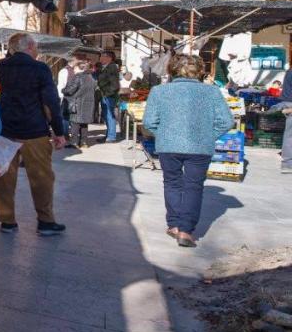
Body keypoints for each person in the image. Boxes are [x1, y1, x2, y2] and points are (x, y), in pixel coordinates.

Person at [142, 54, 234, 248]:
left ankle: (174, 225)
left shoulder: (159, 91)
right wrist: (209, 135)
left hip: (168, 146)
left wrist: (164, 134)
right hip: (200, 147)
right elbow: (227, 121)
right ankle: (185, 230)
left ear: (171, 69)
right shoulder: (212, 92)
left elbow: (149, 123)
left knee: (172, 183)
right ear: (199, 71)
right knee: (194, 186)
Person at [0, 33, 67, 236]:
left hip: (5, 129)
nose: (37, 51)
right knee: (41, 178)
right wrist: (59, 131)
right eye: (36, 47)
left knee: (4, 177)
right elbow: (50, 102)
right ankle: (45, 222)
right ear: (30, 46)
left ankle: (7, 221)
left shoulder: (2, 66)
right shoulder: (40, 68)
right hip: (33, 130)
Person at [62, 60, 99, 148]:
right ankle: (84, 142)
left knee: (75, 122)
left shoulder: (78, 77)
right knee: (84, 124)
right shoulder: (92, 78)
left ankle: (74, 142)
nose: (73, 70)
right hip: (89, 104)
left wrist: (63, 90)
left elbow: (70, 90)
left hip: (77, 103)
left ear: (79, 68)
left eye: (74, 68)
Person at [97, 50, 121, 142]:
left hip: (109, 96)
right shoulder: (106, 67)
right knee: (106, 116)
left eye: (102, 56)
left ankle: (111, 136)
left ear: (109, 58)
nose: (100, 58)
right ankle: (108, 135)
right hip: (105, 95)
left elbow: (115, 85)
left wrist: (107, 94)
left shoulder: (112, 67)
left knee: (110, 116)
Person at [55, 59, 73, 136]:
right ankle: (65, 133)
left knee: (70, 115)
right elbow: (61, 85)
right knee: (65, 116)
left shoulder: (74, 70)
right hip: (65, 96)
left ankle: (70, 133)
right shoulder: (64, 71)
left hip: (72, 96)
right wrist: (60, 97)